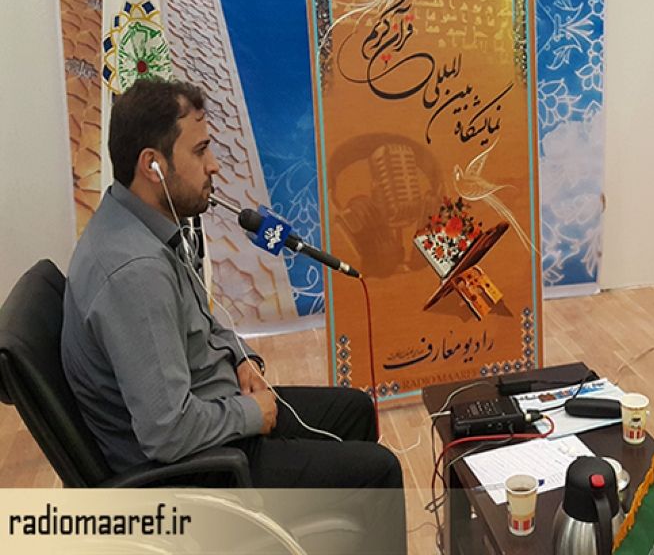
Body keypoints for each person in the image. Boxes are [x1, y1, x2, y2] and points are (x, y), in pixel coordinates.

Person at [62, 78, 403, 498]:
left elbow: (203, 325)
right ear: (153, 166)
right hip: (195, 470)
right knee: (380, 470)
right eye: (200, 151)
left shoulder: (140, 223)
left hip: (213, 412)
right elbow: (166, 433)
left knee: (355, 411)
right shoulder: (136, 273)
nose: (214, 166)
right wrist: (250, 414)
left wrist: (242, 357)